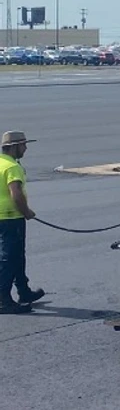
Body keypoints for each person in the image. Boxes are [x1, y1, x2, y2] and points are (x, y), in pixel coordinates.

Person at [0, 131, 45, 314]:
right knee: (10, 258)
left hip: (2, 217)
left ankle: (24, 291)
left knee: (17, 256)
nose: (26, 148)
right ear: (14, 147)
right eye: (23, 145)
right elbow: (16, 193)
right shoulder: (12, 167)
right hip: (11, 217)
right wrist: (26, 212)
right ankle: (3, 299)